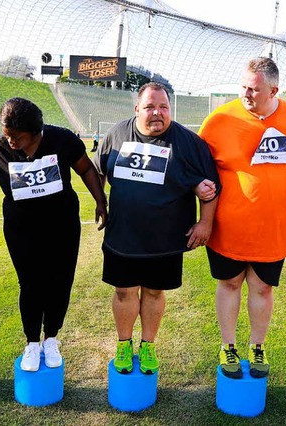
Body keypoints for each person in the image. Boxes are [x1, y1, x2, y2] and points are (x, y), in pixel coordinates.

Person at [0, 97, 107, 372]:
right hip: (21, 229)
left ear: (36, 132)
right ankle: (32, 342)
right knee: (31, 285)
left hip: (62, 226)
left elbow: (85, 169)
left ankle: (52, 339)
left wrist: (100, 200)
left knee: (60, 283)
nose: (10, 141)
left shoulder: (62, 140)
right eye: (7, 134)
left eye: (17, 137)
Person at [197, 57, 286, 379]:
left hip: (274, 226)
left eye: (254, 89)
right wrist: (199, 189)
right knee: (229, 283)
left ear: (274, 90)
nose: (246, 94)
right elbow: (196, 165)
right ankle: (228, 346)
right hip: (228, 225)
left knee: (263, 287)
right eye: (243, 87)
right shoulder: (219, 119)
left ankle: (257, 346)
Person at [93, 82, 220, 375]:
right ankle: (124, 344)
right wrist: (100, 203)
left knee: (153, 292)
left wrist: (205, 222)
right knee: (124, 292)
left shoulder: (189, 143)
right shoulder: (117, 134)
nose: (157, 113)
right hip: (122, 235)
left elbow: (212, 187)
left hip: (166, 239)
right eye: (150, 107)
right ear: (137, 109)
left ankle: (148, 345)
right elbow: (98, 169)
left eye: (163, 107)